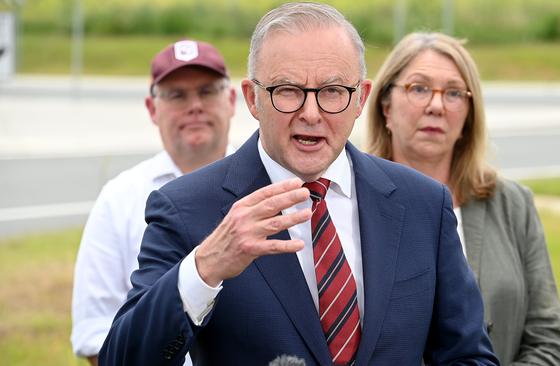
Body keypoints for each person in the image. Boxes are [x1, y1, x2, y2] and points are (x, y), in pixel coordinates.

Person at [99, 3, 498, 365]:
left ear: (361, 98)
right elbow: (124, 359)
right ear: (253, 99)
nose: (311, 113)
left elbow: (469, 357)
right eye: (287, 91)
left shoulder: (423, 204)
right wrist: (204, 268)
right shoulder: (187, 209)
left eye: (332, 91)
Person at [366, 32, 560, 365]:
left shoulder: (513, 205)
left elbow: (549, 344)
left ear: (468, 116)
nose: (436, 105)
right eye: (419, 88)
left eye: (453, 93)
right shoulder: (353, 201)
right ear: (385, 106)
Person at [71, 39, 237, 366]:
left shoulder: (266, 186)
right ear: (151, 109)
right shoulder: (119, 199)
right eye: (177, 94)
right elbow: (96, 335)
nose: (195, 106)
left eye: (207, 91)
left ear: (231, 100)